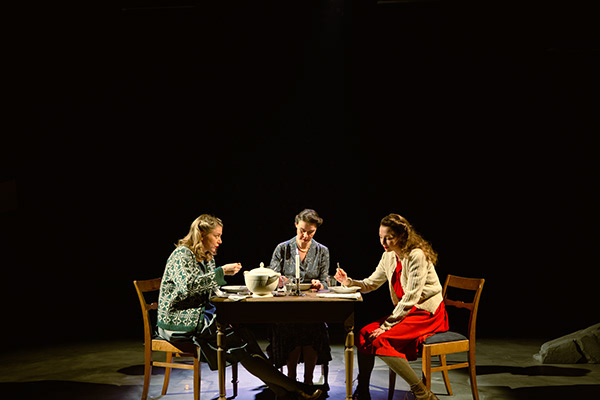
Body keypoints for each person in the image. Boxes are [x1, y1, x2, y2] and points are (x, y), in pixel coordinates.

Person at [157, 214, 322, 400]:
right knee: (238, 343)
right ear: (202, 233)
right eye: (216, 236)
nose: (220, 241)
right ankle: (295, 388)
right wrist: (221, 272)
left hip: (200, 316)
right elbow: (188, 286)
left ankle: (283, 391)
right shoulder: (182, 254)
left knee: (245, 336)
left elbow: (210, 291)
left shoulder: (207, 256)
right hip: (178, 320)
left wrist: (233, 297)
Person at [335, 214, 449, 400]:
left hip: (425, 313)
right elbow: (370, 283)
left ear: (402, 236)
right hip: (406, 312)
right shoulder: (388, 256)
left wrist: (386, 326)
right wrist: (348, 281)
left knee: (381, 340)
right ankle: (363, 389)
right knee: (364, 334)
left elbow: (412, 297)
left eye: (388, 237)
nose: (383, 242)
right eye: (381, 237)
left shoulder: (416, 256)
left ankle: (422, 393)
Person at [268, 209, 332, 385]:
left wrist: (320, 285)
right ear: (296, 225)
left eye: (310, 232)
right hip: (286, 307)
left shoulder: (322, 251)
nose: (305, 236)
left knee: (313, 327)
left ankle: (308, 380)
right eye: (302, 230)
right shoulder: (283, 249)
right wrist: (279, 280)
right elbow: (271, 277)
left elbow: (325, 281)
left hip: (312, 307)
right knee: (291, 328)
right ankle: (291, 379)